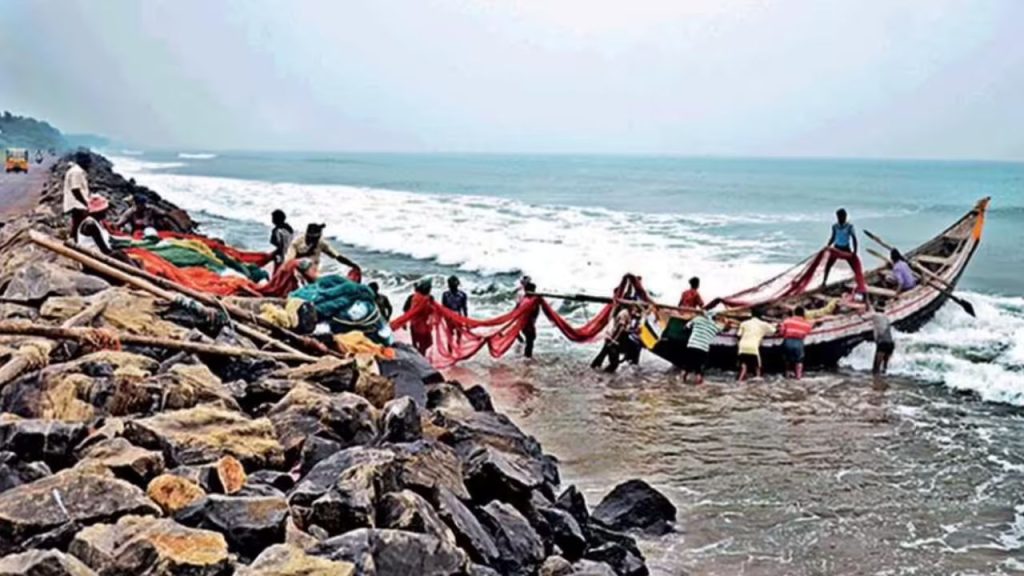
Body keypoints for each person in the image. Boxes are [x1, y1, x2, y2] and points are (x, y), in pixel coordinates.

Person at [284, 223, 361, 278]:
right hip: (297, 274)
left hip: (313, 273)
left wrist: (352, 265)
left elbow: (337, 256)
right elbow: (289, 262)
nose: (315, 241)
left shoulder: (321, 243)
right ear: (307, 235)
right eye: (313, 239)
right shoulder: (296, 243)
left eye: (317, 238)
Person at [822, 208, 868, 294]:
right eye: (840, 217)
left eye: (843, 216)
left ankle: (860, 283)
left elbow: (854, 239)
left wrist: (855, 252)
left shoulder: (849, 227)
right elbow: (833, 237)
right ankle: (824, 282)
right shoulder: (834, 226)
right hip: (836, 248)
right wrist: (827, 246)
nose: (842, 218)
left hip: (846, 249)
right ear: (837, 217)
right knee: (828, 265)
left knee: (855, 266)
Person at [591, 304, 634, 372]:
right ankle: (604, 376)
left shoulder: (626, 313)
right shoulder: (624, 314)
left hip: (611, 337)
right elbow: (620, 329)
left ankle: (594, 372)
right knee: (614, 363)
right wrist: (614, 341)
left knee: (601, 357)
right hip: (613, 339)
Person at [682, 311, 721, 384]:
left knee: (687, 367)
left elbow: (685, 327)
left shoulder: (698, 319)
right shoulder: (715, 326)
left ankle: (683, 382)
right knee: (698, 370)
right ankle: (698, 388)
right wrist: (726, 321)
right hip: (703, 349)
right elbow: (724, 329)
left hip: (692, 345)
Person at [736, 310, 776, 381]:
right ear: (761, 316)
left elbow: (738, 335)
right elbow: (773, 330)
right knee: (757, 367)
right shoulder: (764, 324)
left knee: (744, 367)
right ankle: (757, 382)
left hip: (742, 347)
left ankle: (739, 381)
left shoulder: (744, 323)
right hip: (753, 347)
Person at [62, 152, 92, 242]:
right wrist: (85, 203)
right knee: (80, 223)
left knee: (77, 223)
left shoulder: (77, 171)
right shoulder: (77, 172)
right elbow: (75, 189)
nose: (89, 165)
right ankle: (74, 240)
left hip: (77, 202)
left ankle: (73, 240)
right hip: (76, 203)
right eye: (88, 162)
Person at [780, 307, 815, 379]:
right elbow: (807, 332)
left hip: (788, 341)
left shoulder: (787, 321)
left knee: (787, 360)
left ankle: (787, 375)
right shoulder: (807, 324)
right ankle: (798, 376)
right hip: (799, 342)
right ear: (803, 314)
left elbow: (781, 332)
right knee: (799, 361)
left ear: (794, 313)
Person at [402, 279, 434, 355]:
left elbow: (406, 310)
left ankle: (419, 356)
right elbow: (406, 310)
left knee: (423, 343)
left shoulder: (414, 297)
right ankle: (421, 357)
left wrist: (404, 322)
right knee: (424, 344)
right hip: (420, 325)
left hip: (418, 324)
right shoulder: (427, 298)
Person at [871, 307, 895, 375]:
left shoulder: (875, 315)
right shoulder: (886, 317)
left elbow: (864, 317)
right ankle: (884, 383)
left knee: (876, 368)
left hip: (882, 343)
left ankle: (876, 383)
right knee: (884, 368)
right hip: (890, 343)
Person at [521, 281, 540, 358]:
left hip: (526, 324)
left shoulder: (524, 299)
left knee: (530, 339)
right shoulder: (529, 301)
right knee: (530, 340)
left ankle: (527, 356)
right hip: (527, 324)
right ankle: (527, 357)